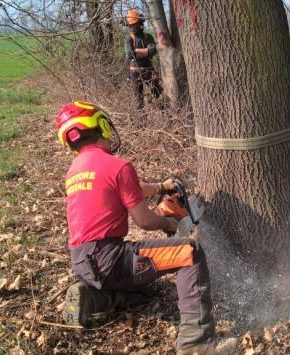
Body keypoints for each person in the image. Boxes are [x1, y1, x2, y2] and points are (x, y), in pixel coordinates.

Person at [55, 101, 235, 354]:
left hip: (83, 263)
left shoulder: (76, 170)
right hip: (110, 258)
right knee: (189, 252)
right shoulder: (118, 166)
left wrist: (161, 187)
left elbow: (131, 189)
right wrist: (169, 221)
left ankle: (95, 298)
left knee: (146, 289)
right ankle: (197, 343)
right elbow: (146, 222)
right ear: (103, 126)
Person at [124, 8, 162, 111]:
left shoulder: (148, 36)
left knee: (158, 94)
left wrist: (137, 51)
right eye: (131, 25)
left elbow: (154, 50)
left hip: (148, 70)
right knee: (139, 101)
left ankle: (164, 116)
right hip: (135, 73)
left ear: (139, 23)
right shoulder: (129, 39)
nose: (132, 27)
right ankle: (141, 123)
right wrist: (146, 51)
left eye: (134, 24)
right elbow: (130, 54)